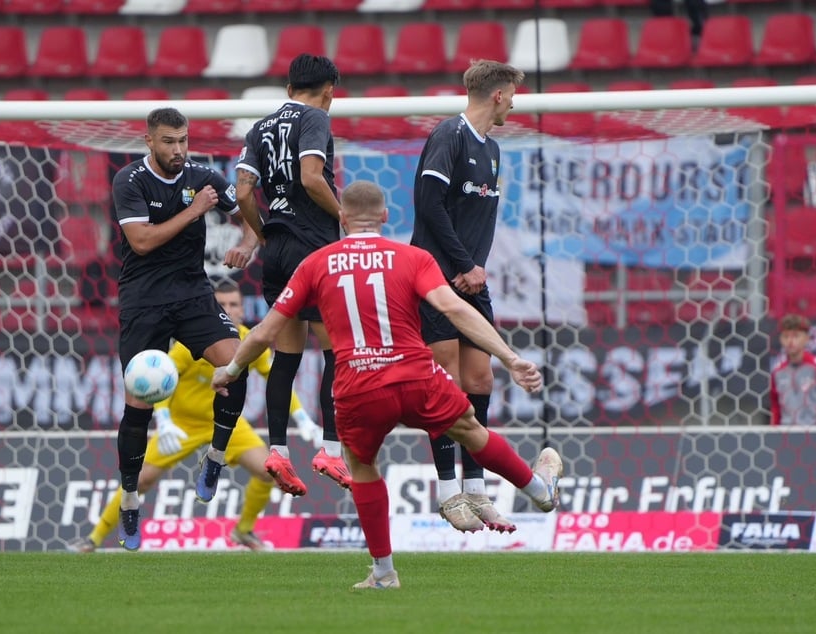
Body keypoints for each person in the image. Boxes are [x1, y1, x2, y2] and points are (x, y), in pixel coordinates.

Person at [213, 181, 563, 590]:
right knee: (470, 429)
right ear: (385, 217)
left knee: (362, 467)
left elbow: (265, 332)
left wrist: (232, 369)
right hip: (416, 375)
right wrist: (509, 356)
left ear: (341, 219)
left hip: (357, 387)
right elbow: (454, 308)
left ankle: (383, 571)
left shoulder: (315, 263)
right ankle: (538, 490)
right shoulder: (413, 257)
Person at [67, 282, 321, 552]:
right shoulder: (191, 344)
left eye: (234, 304)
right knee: (140, 480)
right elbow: (158, 378)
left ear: (242, 309)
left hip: (227, 427)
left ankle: (244, 531)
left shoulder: (250, 340)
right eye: (221, 305)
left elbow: (274, 377)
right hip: (182, 425)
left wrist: (302, 417)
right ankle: (93, 539)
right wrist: (163, 421)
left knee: (268, 471)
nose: (229, 310)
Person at [110, 107, 251, 551]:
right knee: (138, 403)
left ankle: (214, 455)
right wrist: (194, 211)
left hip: (192, 294)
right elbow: (142, 241)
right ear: (148, 141)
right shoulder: (129, 182)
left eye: (183, 140)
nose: (178, 150)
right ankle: (130, 499)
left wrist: (247, 241)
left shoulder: (203, 175)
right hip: (144, 300)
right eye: (169, 142)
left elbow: (248, 212)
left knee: (236, 364)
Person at [226, 52, 351, 497]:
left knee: (287, 355)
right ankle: (330, 451)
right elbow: (313, 177)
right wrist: (346, 219)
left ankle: (277, 450)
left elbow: (242, 190)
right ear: (329, 90)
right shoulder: (315, 118)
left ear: (288, 89)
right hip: (313, 249)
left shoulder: (259, 127)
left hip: (276, 250)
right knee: (336, 352)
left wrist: (261, 236)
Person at [409, 59, 526, 534]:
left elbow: (480, 221)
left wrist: (474, 270)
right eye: (513, 94)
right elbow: (428, 205)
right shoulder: (448, 135)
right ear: (497, 95)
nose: (516, 102)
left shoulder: (493, 149)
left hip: (470, 279)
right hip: (438, 278)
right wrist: (461, 265)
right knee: (446, 385)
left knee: (480, 380)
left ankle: (476, 488)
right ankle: (446, 491)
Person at [770, 313, 816, 426]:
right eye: (786, 336)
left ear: (806, 339)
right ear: (781, 339)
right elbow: (775, 407)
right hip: (786, 435)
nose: (790, 341)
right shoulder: (778, 371)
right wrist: (774, 432)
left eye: (795, 336)